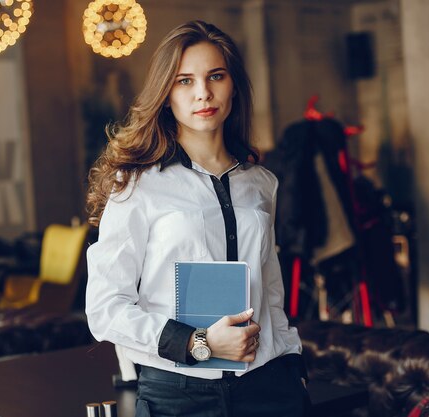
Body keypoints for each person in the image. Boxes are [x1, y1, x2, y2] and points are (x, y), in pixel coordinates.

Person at [85, 20, 310, 417]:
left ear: (233, 85)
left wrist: (294, 365)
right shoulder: (137, 184)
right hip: (179, 394)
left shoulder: (261, 183)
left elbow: (271, 294)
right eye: (184, 81)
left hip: (272, 388)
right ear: (165, 93)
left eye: (215, 76)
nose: (203, 93)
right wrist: (198, 342)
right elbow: (106, 308)